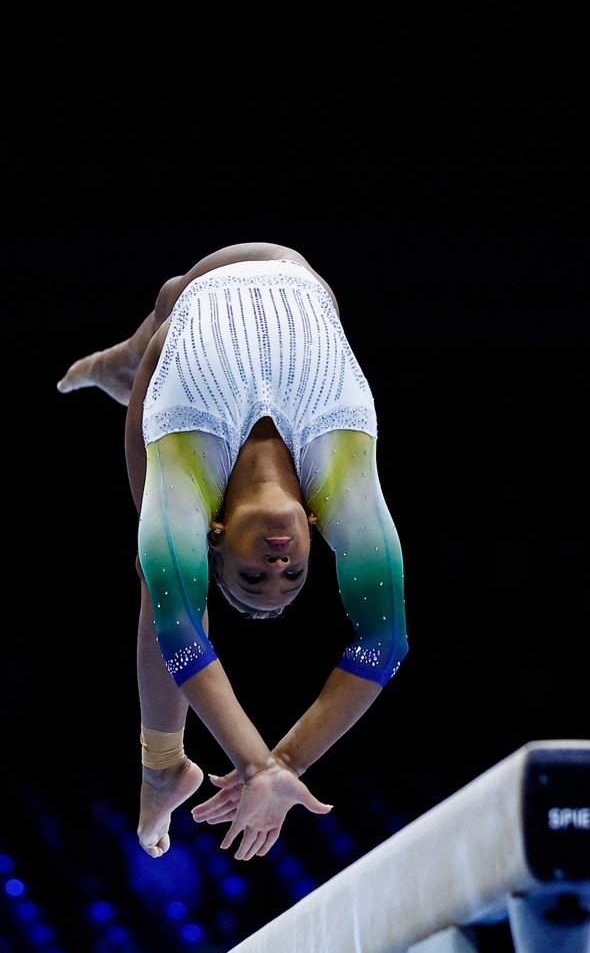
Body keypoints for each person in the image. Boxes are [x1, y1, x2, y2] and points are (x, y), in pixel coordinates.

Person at [56, 241, 408, 862]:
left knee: (159, 578)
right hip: (286, 273)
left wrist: (252, 764)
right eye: (294, 573)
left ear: (215, 537)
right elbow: (386, 638)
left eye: (252, 576)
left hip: (184, 346)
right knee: (170, 296)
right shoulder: (340, 482)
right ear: (312, 524)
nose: (277, 566)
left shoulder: (190, 481)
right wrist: (282, 764)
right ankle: (125, 360)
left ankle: (162, 765)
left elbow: (180, 627)